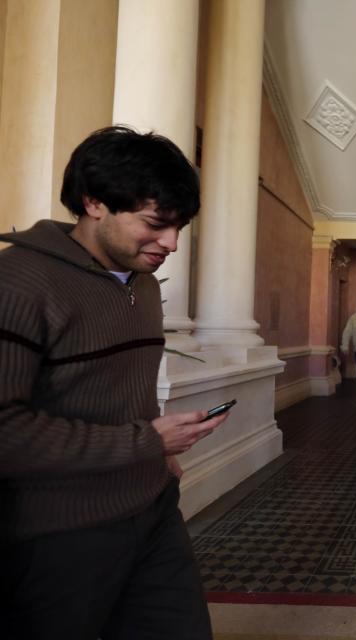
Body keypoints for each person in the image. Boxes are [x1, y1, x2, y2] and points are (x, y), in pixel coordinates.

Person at [0, 126, 230, 639]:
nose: (170, 243)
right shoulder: (19, 282)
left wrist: (155, 449)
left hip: (153, 511)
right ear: (94, 201)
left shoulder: (144, 286)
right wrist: (147, 441)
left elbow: (122, 387)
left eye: (179, 227)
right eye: (155, 223)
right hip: (58, 534)